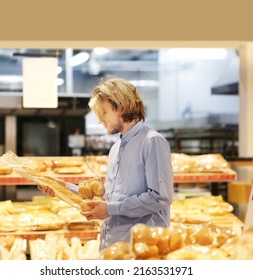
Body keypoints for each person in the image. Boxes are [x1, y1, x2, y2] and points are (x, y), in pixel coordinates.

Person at [39, 76, 174, 251]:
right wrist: (65, 188)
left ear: (120, 106)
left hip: (141, 249)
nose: (100, 120)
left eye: (103, 112)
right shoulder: (116, 148)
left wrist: (110, 209)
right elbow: (111, 197)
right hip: (113, 245)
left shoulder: (152, 141)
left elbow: (160, 197)